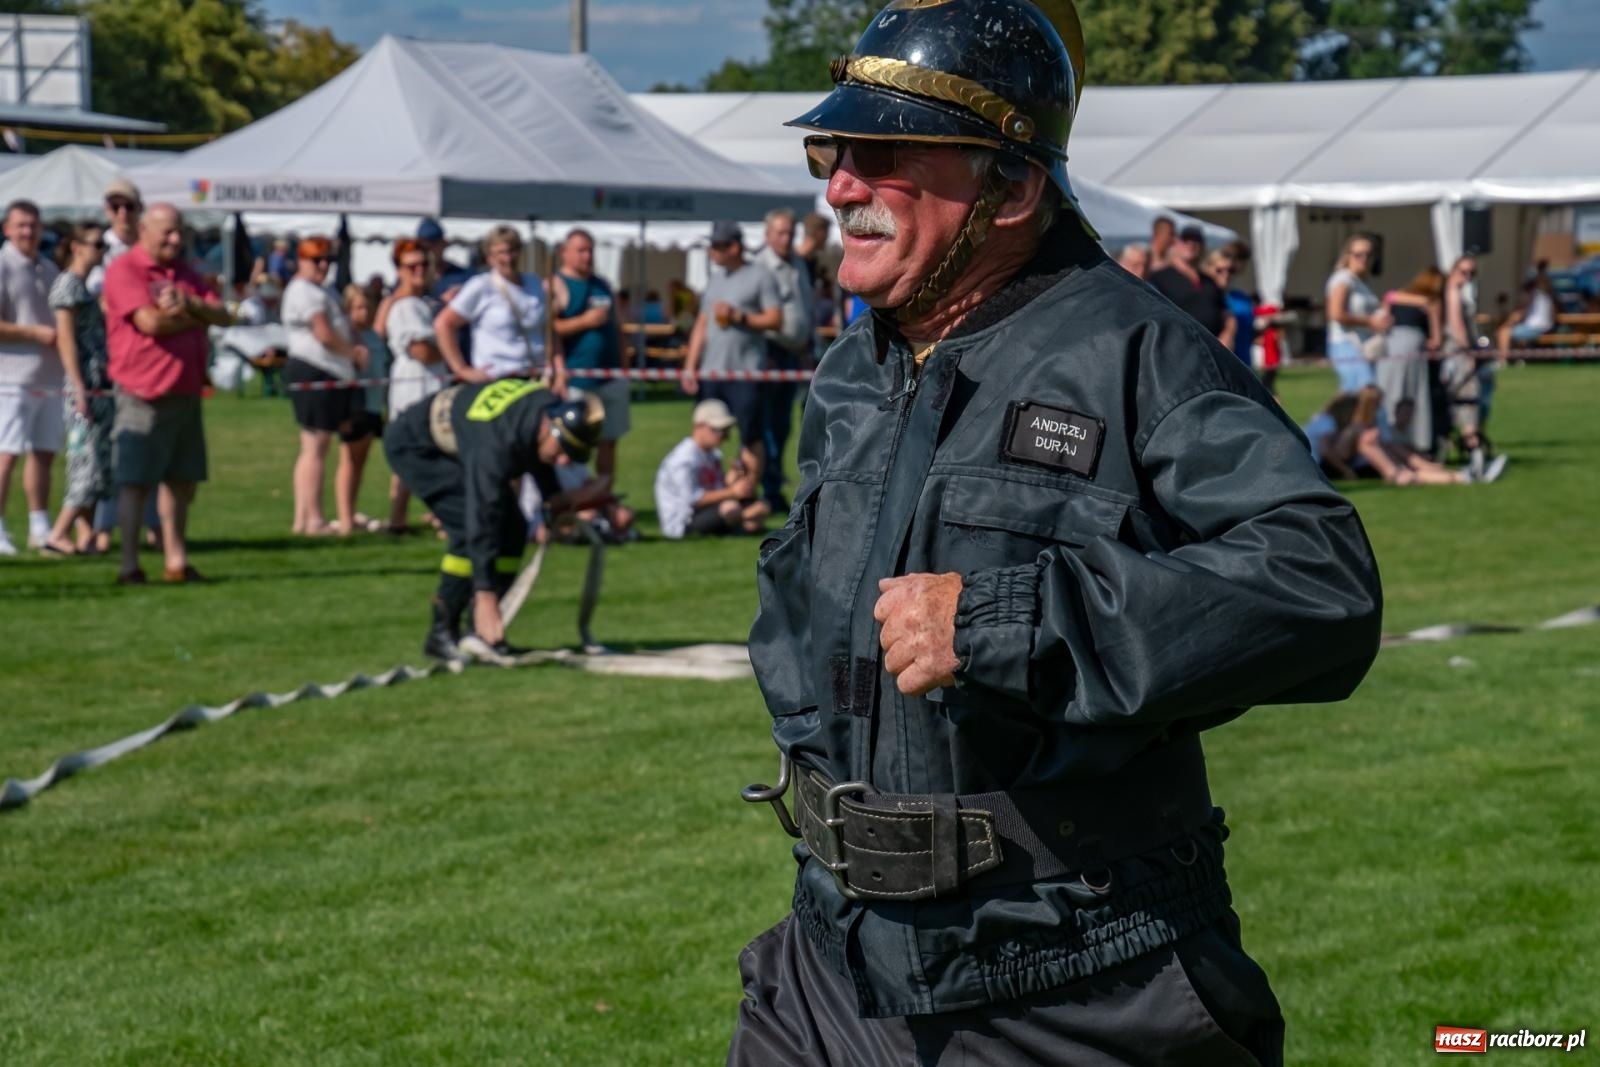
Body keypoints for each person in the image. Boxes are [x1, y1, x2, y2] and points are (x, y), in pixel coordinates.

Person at [732, 2, 1383, 1063]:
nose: (839, 183)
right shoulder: (854, 368)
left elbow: (1322, 582)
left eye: (885, 153)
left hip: (1072, 974)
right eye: (834, 146)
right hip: (833, 964)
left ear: (1014, 185)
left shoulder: (1138, 355)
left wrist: (1005, 623)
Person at [383, 379, 604, 664]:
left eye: (572, 457)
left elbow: (536, 452)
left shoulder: (540, 415)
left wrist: (554, 499)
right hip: (416, 447)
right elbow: (480, 514)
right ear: (547, 426)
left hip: (463, 435)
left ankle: (481, 633)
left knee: (513, 530)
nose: (563, 462)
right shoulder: (498, 444)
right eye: (563, 451)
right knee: (468, 528)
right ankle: (442, 633)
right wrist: (485, 593)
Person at [102, 202, 232, 584]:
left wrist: (189, 303)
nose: (176, 240)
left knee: (182, 480)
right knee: (136, 482)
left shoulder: (184, 273)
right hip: (145, 392)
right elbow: (150, 322)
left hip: (186, 391)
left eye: (180, 232)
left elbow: (223, 314)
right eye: (168, 233)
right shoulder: (126, 269)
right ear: (145, 230)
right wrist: (197, 315)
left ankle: (176, 560)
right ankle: (130, 565)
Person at [281, 236, 373, 536]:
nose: (323, 265)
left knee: (313, 446)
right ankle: (313, 519)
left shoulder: (320, 290)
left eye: (327, 260)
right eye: (316, 259)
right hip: (315, 369)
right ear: (301, 261)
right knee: (316, 446)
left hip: (327, 371)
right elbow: (323, 332)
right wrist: (353, 354)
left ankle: (303, 518)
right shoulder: (304, 292)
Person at [681, 221, 782, 491]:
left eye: (717, 246)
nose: (712, 251)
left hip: (745, 373)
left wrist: (740, 316)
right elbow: (702, 324)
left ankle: (746, 492)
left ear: (734, 247)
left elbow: (775, 319)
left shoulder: (760, 276)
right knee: (707, 431)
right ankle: (715, 491)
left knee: (750, 435)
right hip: (711, 372)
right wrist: (690, 366)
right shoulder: (715, 279)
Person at [41, 223, 112, 556]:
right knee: (87, 461)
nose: (103, 250)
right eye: (98, 244)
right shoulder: (67, 285)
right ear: (78, 247)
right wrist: (80, 387)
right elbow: (66, 338)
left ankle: (86, 536)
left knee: (98, 460)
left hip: (97, 384)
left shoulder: (81, 285)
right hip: (84, 386)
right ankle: (57, 534)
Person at [0, 199, 63, 556]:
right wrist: (35, 334)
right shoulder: (3, 265)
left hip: (50, 377)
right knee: (6, 455)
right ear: (7, 228)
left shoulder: (48, 267)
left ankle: (40, 527)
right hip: (10, 378)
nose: (28, 231)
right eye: (21, 225)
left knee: (44, 454)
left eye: (33, 225)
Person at [380, 238, 449, 534]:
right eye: (412, 266)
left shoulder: (423, 302)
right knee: (427, 450)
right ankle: (440, 515)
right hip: (417, 384)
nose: (419, 271)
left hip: (427, 381)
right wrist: (451, 351)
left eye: (424, 264)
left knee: (417, 453)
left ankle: (401, 518)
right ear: (400, 270)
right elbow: (422, 350)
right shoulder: (406, 306)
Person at [549, 228, 628, 479]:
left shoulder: (602, 284)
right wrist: (584, 321)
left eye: (590, 250)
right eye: (581, 250)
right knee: (574, 439)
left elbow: (618, 326)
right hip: (577, 378)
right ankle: (575, 498)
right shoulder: (557, 284)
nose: (587, 256)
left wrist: (624, 365)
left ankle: (604, 495)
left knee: (610, 440)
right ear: (565, 253)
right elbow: (550, 330)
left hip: (611, 375)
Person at [755, 208, 815, 511]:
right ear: (767, 235)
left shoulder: (797, 264)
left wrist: (808, 346)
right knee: (767, 426)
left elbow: (806, 307)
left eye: (790, 233)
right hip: (769, 354)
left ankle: (775, 481)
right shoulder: (760, 267)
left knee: (783, 425)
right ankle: (769, 487)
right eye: (780, 232)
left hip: (795, 353)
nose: (786, 238)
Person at [435, 225, 547, 385]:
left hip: (534, 375)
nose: (508, 258)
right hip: (496, 379)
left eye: (511, 251)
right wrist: (461, 369)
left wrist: (557, 368)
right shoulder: (481, 286)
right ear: (490, 258)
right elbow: (443, 324)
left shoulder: (534, 283)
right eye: (500, 253)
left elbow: (548, 330)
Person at [653, 398, 769, 539]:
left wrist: (733, 479)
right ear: (699, 427)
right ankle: (742, 521)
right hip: (683, 522)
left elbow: (715, 489)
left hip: (709, 510)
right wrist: (732, 492)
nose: (725, 437)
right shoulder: (684, 460)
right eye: (719, 430)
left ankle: (740, 521)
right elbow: (694, 499)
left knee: (761, 507)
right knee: (731, 508)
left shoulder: (712, 454)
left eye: (726, 431)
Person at [343, 282, 390, 531]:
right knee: (349, 462)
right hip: (356, 405)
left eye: (367, 307)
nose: (364, 313)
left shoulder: (374, 336)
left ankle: (351, 512)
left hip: (374, 405)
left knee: (360, 463)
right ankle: (345, 518)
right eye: (358, 307)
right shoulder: (349, 337)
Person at [1381, 267, 1443, 452]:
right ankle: (1415, 439)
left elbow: (1384, 317)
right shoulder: (1431, 303)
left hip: (1388, 347)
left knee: (1386, 392)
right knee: (1413, 395)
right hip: (1414, 347)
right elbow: (1436, 341)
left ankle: (1386, 434)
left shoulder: (1394, 296)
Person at [1324, 234, 1391, 393]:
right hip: (1345, 343)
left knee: (1358, 395)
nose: (1364, 259)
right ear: (1348, 256)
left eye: (1368, 254)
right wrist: (1370, 322)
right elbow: (1335, 314)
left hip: (1364, 346)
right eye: (1358, 254)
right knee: (1363, 393)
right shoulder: (1343, 279)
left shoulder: (1364, 281)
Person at [1149, 225, 1233, 345]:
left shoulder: (1209, 280)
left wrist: (1228, 335)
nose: (1191, 244)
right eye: (1186, 240)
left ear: (1202, 246)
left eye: (1196, 241)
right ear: (1176, 243)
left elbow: (1227, 314)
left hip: (1213, 349)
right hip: (1181, 348)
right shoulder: (1159, 276)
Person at [87, 179, 141, 297]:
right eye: (115, 207)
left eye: (129, 206)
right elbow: (94, 286)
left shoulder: (148, 245)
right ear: (107, 210)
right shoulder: (98, 245)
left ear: (139, 208)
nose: (123, 212)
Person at [1496, 264, 1556, 356]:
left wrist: (1505, 325)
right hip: (1545, 326)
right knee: (1516, 331)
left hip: (1536, 328)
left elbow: (1518, 315)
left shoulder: (1530, 294)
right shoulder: (1544, 294)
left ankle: (1502, 360)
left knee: (1503, 332)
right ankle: (1519, 359)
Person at [1203, 247, 1250, 364]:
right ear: (1207, 269)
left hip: (1245, 368)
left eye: (1231, 270)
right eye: (1219, 270)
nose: (1226, 274)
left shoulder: (1242, 299)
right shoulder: (1200, 300)